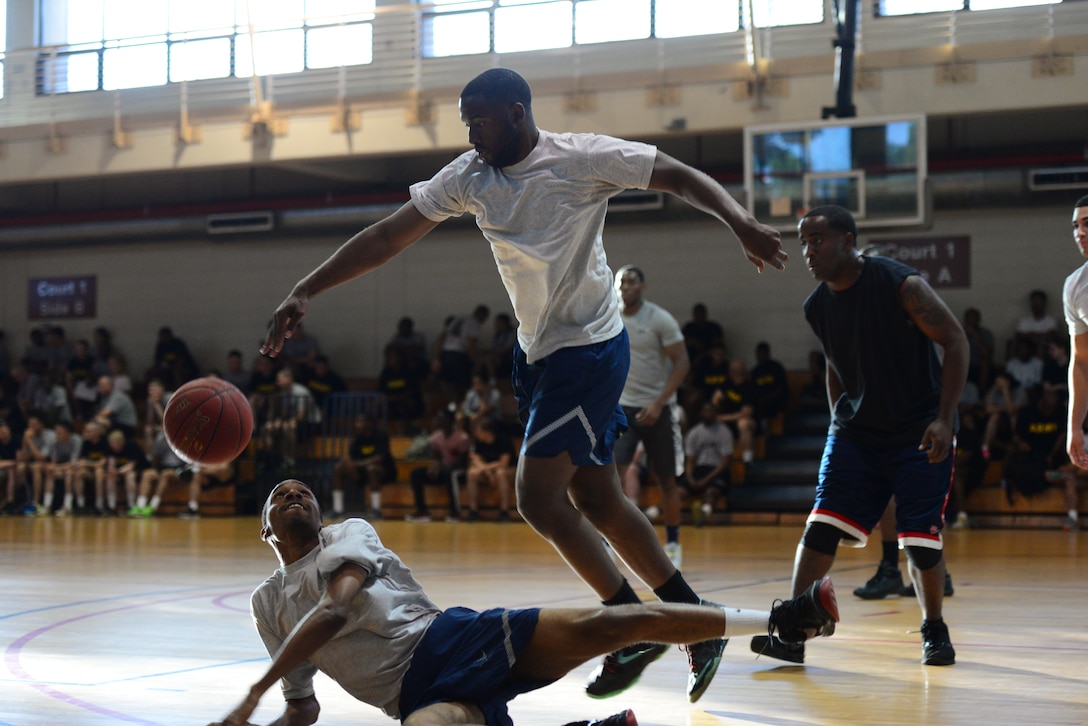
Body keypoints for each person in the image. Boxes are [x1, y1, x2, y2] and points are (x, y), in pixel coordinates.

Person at [260, 67, 787, 701]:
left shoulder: (580, 157)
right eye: (466, 123)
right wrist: (306, 289)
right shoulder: (469, 177)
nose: (470, 133)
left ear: (516, 112)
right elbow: (387, 236)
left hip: (588, 350)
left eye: (478, 121)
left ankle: (632, 622)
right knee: (596, 497)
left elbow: (678, 173)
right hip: (536, 354)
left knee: (537, 498)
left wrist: (740, 222)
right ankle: (690, 619)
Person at [209, 478, 839, 726]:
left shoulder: (347, 534)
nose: (294, 494)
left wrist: (249, 694)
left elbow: (336, 610)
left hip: (451, 639)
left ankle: (787, 615)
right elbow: (305, 709)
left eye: (303, 491)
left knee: (617, 622)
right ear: (265, 527)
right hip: (414, 698)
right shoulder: (268, 605)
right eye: (279, 494)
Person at [750, 205, 967, 668]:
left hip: (919, 428)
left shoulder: (901, 285)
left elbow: (956, 341)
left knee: (919, 539)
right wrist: (837, 422)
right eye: (803, 242)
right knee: (820, 524)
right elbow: (834, 364)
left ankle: (934, 627)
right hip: (857, 434)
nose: (808, 251)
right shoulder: (817, 305)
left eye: (818, 240)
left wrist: (945, 419)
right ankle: (792, 631)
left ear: (848, 241)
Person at [612, 265, 690, 568]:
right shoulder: (609, 317)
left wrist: (659, 403)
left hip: (658, 409)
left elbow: (682, 362)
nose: (625, 286)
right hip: (622, 409)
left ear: (643, 286)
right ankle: (612, 541)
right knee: (612, 478)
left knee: (667, 481)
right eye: (621, 282)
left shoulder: (659, 319)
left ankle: (672, 544)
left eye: (631, 281)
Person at [406, 410, 471, 523]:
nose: (438, 421)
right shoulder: (436, 437)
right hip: (444, 470)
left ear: (450, 421)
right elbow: (437, 457)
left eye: (441, 419)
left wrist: (445, 467)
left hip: (459, 471)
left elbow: (462, 462)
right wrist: (435, 467)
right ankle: (422, 511)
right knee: (416, 474)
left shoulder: (462, 437)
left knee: (451, 474)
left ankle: (455, 512)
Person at [330, 413, 396, 520]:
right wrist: (348, 463)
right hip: (362, 473)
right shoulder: (358, 438)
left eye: (360, 422)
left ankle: (376, 510)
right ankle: (338, 510)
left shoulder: (380, 436)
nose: (357, 425)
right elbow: (351, 459)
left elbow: (379, 458)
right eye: (357, 422)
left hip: (384, 473)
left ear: (369, 423)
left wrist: (357, 464)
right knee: (338, 468)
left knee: (372, 468)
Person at [1063, 195, 1088, 474]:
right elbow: (1081, 361)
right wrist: (1074, 427)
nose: (1080, 233)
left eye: (1087, 224)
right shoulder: (1075, 286)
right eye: (1075, 226)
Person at [682, 402, 733, 527]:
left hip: (717, 470)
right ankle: (652, 513)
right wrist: (690, 478)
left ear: (716, 414)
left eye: (711, 411)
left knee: (711, 491)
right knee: (678, 491)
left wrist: (706, 479)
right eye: (706, 411)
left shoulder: (724, 432)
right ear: (701, 413)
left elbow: (726, 461)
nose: (708, 414)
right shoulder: (694, 432)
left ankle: (704, 514)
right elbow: (690, 459)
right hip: (699, 469)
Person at [463, 416, 515, 522]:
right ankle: (473, 511)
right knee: (472, 473)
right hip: (488, 471)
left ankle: (504, 511)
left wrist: (485, 468)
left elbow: (503, 463)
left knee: (500, 474)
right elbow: (474, 459)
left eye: (478, 431)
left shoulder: (503, 439)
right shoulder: (478, 442)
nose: (476, 434)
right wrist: (488, 472)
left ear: (487, 432)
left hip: (508, 469)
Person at [711, 359, 759, 465]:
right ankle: (713, 459)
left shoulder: (750, 387)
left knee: (743, 424)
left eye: (733, 371)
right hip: (728, 420)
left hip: (749, 421)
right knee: (710, 421)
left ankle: (747, 460)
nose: (730, 373)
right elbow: (715, 399)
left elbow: (746, 413)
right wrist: (716, 401)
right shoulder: (727, 383)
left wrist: (723, 418)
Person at [750, 341, 789, 429]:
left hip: (776, 400)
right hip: (762, 402)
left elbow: (782, 388)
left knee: (780, 400)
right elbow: (753, 390)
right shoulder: (755, 371)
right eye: (759, 353)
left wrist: (767, 397)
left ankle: (782, 427)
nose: (761, 356)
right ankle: (763, 430)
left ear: (768, 353)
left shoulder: (776, 367)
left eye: (763, 353)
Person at [93, 375, 139, 440]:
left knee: (101, 422)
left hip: (127, 426)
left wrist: (97, 418)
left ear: (110, 385)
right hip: (116, 424)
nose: (99, 387)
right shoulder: (104, 397)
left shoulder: (117, 396)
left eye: (102, 385)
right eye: (99, 385)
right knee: (97, 424)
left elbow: (104, 414)